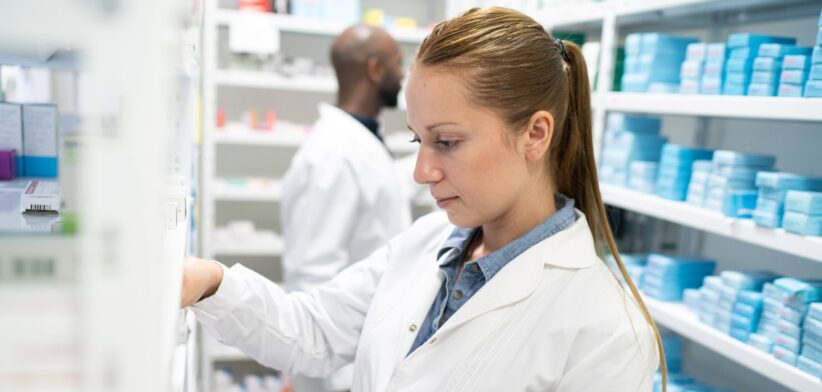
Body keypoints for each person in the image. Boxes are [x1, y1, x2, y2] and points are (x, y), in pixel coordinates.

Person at [182, 7, 666, 391]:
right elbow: (315, 332)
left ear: (535, 134)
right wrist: (209, 281)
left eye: (448, 142)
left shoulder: (608, 333)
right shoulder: (430, 240)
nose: (422, 172)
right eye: (418, 140)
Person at [279, 24, 412, 391]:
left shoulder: (359, 141)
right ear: (374, 70)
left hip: (366, 352)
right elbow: (311, 271)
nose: (403, 76)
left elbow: (383, 187)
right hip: (340, 370)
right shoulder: (331, 155)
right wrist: (339, 381)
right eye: (398, 65)